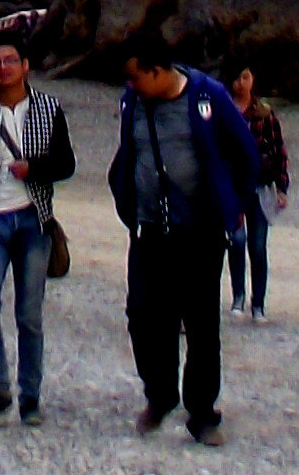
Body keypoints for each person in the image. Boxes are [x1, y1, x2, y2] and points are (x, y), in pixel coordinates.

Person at [108, 36, 258, 446]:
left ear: (158, 71)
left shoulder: (208, 96)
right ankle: (159, 394)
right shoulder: (132, 101)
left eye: (137, 77)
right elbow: (128, 153)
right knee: (142, 313)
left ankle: (202, 412)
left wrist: (234, 205)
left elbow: (247, 153)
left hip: (200, 230)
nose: (131, 84)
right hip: (148, 226)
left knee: (201, 322)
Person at [0, 36, 73, 424]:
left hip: (31, 219)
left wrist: (34, 168)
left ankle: (31, 396)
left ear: (25, 65)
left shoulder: (49, 109)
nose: (2, 68)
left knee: (29, 313)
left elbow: (66, 164)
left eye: (9, 60)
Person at [225, 64, 288, 322]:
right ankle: (238, 296)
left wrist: (282, 187)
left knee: (258, 246)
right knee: (236, 241)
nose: (241, 83)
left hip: (260, 186)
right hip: (232, 186)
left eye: (246, 77)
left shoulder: (264, 113)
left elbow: (279, 151)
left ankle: (258, 303)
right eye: (237, 78)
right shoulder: (224, 110)